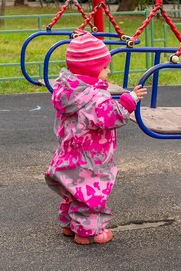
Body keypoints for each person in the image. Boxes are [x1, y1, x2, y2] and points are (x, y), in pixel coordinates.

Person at [45, 31, 147, 245]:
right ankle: (87, 233)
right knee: (91, 196)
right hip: (90, 159)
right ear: (92, 70)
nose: (108, 70)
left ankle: (67, 224)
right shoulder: (94, 97)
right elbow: (111, 117)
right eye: (103, 67)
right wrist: (130, 100)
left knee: (73, 194)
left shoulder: (66, 90)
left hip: (68, 155)